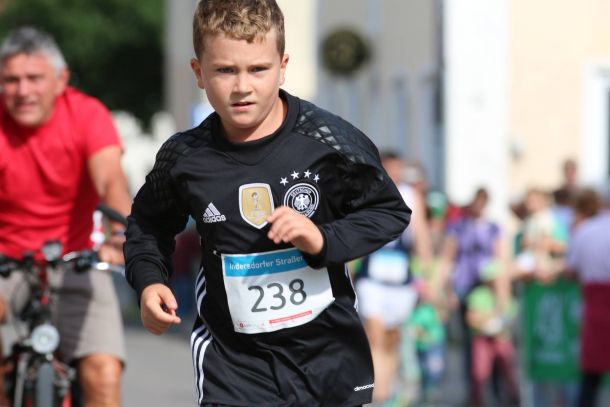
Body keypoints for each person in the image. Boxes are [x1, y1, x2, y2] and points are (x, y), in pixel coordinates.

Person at [123, 1, 411, 406]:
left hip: (328, 359)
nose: (242, 86)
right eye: (225, 70)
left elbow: (389, 211)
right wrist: (150, 280)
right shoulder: (185, 157)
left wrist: (322, 239)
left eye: (258, 69)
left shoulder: (329, 142)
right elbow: (148, 224)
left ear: (282, 65)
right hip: (234, 366)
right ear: (198, 72)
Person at [0, 27, 131, 407]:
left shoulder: (87, 115)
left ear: (60, 80)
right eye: (11, 80)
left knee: (103, 373)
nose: (23, 90)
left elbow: (110, 180)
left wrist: (122, 233)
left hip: (76, 259)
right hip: (6, 264)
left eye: (34, 78)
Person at [353, 151, 432, 403]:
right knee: (374, 333)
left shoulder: (410, 195)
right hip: (372, 277)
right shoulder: (367, 191)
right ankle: (375, 393)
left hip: (400, 278)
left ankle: (386, 392)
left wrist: (427, 275)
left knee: (392, 339)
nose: (394, 173)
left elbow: (421, 234)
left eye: (397, 168)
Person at [566, 184, 610, 407]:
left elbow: (571, 270)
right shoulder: (586, 230)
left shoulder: (585, 231)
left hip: (595, 309)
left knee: (591, 378)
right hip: (597, 305)